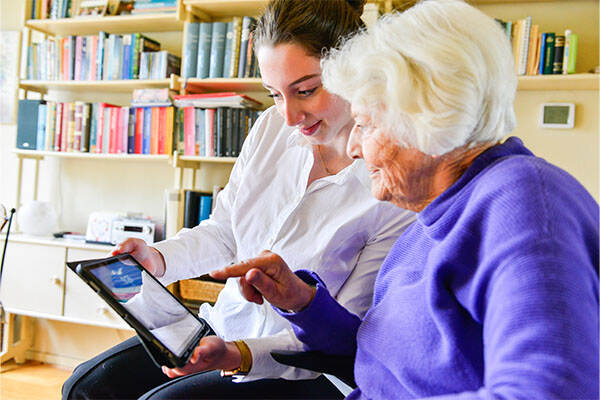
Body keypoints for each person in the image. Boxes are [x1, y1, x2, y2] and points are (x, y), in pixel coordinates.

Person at [211, 0, 600, 399]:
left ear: (426, 117)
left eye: (364, 124)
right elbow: (380, 359)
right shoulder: (429, 222)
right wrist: (304, 303)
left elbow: (550, 390)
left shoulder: (527, 205)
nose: (356, 148)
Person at [62, 0, 415, 399]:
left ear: (356, 67)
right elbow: (226, 233)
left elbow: (343, 333)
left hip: (308, 367)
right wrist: (158, 260)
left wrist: (237, 355)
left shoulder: (394, 181)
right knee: (86, 386)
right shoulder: (270, 129)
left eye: (306, 90)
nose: (289, 116)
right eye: (274, 94)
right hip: (228, 324)